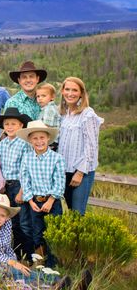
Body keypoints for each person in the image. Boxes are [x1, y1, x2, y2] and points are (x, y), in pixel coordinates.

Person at [0, 194, 75, 290]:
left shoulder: (7, 224)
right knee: (16, 273)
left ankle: (62, 282)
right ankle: (51, 285)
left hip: (6, 262)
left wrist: (15, 261)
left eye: (2, 215)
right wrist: (12, 262)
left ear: (7, 217)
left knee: (25, 271)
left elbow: (8, 248)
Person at [18, 121, 65, 266]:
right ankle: (40, 263)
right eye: (35, 138)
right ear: (30, 140)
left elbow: (59, 181)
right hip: (35, 203)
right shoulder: (27, 158)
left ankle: (53, 265)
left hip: (53, 202)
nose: (39, 141)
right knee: (37, 234)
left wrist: (50, 201)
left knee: (52, 234)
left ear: (48, 139)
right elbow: (25, 180)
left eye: (42, 138)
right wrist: (30, 201)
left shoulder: (57, 158)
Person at [58, 77, 104, 215]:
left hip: (82, 172)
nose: (70, 93)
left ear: (81, 94)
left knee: (78, 214)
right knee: (71, 212)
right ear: (62, 91)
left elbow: (91, 147)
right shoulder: (64, 115)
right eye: (67, 89)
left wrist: (80, 173)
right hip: (65, 171)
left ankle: (78, 238)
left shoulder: (88, 114)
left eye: (74, 90)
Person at [0, 107, 33, 259]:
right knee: (13, 222)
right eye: (7, 124)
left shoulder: (24, 144)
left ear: (21, 126)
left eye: (13, 124)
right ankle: (17, 254)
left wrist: (22, 190)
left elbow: (27, 168)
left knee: (23, 222)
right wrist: (1, 185)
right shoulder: (3, 143)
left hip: (19, 185)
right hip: (7, 186)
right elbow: (1, 165)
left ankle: (29, 256)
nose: (9, 127)